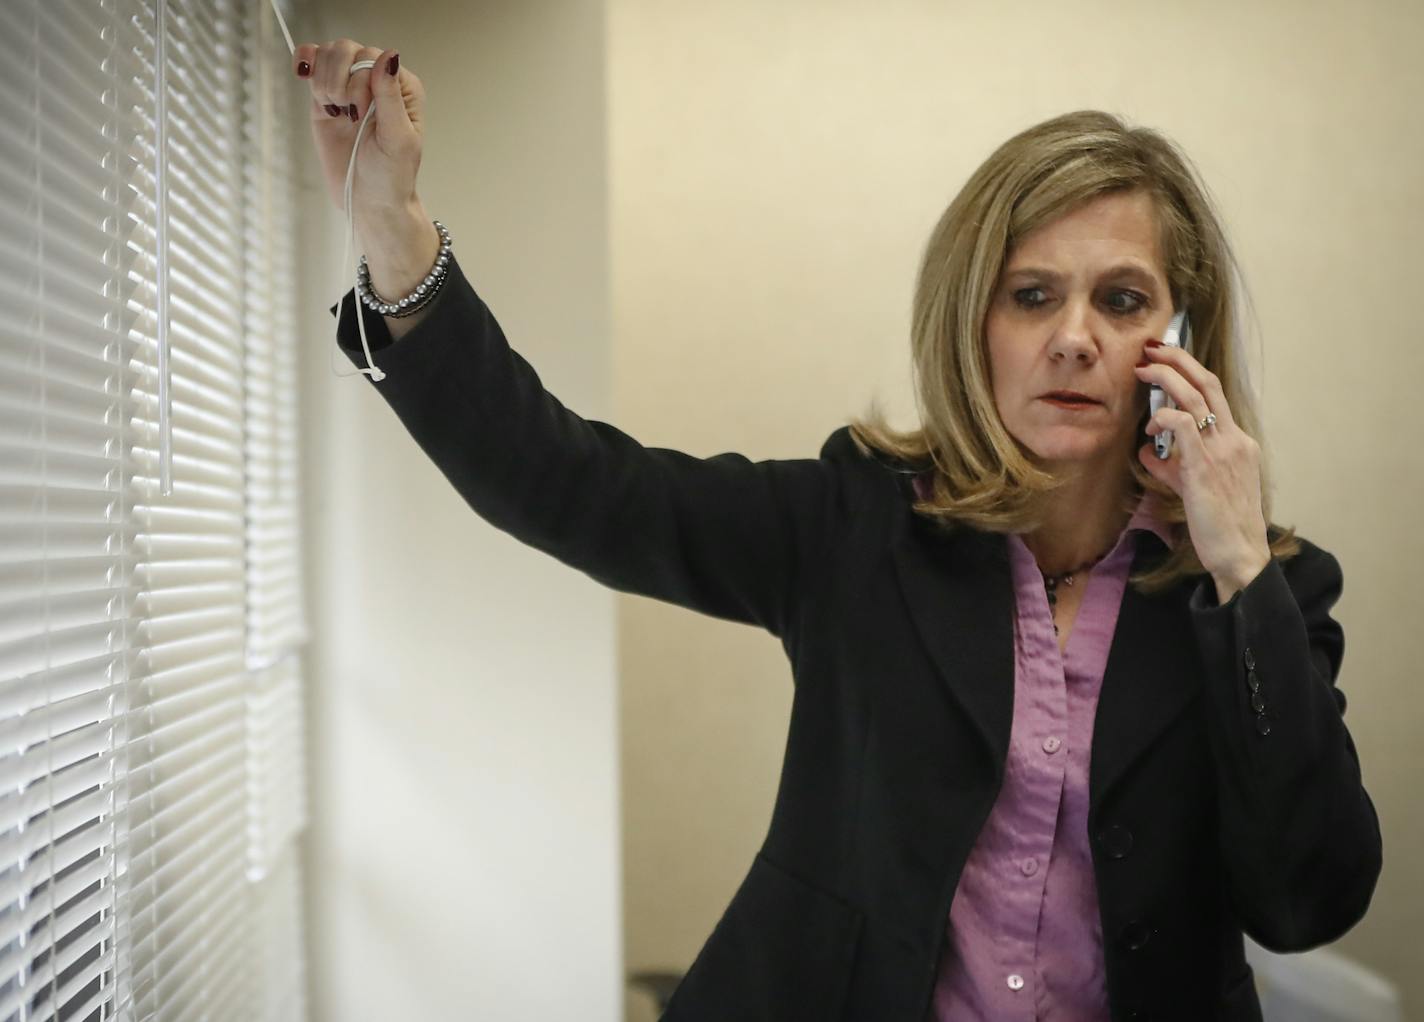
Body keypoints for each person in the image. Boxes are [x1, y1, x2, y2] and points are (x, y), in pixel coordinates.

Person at [297, 39, 1382, 1022]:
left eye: (1120, 298)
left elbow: (1305, 899)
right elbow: (568, 483)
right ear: (973, 321)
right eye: (1031, 294)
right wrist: (394, 230)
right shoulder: (858, 521)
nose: (1071, 338)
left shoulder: (1267, 596)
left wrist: (1238, 565)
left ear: (1178, 335)